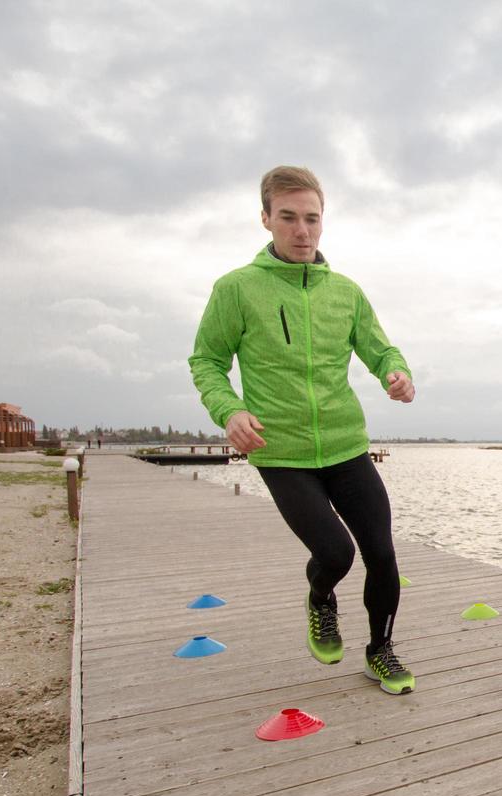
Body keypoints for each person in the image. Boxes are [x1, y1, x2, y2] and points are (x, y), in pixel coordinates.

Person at [189, 165, 417, 694]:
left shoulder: (346, 292)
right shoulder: (237, 289)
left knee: (382, 554)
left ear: (323, 220)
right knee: (336, 553)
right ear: (266, 218)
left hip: (345, 444)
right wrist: (229, 410)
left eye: (312, 219)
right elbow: (207, 361)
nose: (302, 231)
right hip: (281, 450)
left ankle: (380, 650)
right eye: (288, 218)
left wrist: (396, 372)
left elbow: (380, 348)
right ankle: (321, 599)